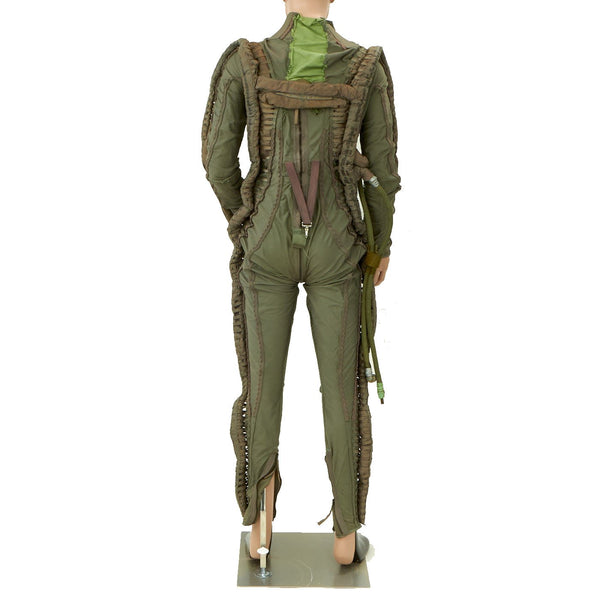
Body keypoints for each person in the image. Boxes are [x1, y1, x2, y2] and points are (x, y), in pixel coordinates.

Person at [202, 0, 401, 565]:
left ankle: (261, 524)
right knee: (342, 387)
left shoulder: (245, 61)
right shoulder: (366, 66)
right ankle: (344, 535)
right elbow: (384, 171)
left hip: (265, 238)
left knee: (262, 383)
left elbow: (217, 161)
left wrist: (243, 222)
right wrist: (380, 245)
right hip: (337, 242)